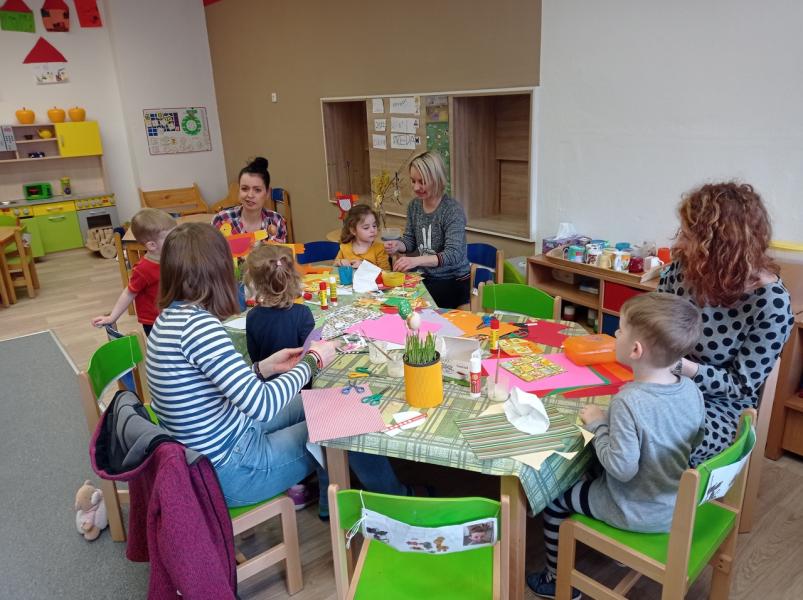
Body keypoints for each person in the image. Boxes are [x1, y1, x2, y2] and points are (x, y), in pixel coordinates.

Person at [147, 222, 408, 514]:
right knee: (345, 419)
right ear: (217, 271)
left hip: (216, 450)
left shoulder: (170, 319)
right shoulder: (200, 328)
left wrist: (262, 369)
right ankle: (397, 504)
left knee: (330, 402)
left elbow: (217, 388)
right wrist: (312, 361)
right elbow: (262, 405)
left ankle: (358, 496)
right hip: (232, 470)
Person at [527, 293, 706, 600]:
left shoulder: (628, 401)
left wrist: (599, 424)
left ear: (635, 350)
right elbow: (695, 441)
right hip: (676, 505)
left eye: (620, 330)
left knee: (554, 501)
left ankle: (555, 581)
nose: (615, 334)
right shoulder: (690, 389)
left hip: (634, 508)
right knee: (588, 473)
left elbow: (622, 469)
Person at [658, 181, 794, 466]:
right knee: (612, 415)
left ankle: (637, 493)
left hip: (721, 406)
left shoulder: (771, 304)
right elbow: (655, 323)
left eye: (688, 235)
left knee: (657, 436)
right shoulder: (684, 270)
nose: (679, 244)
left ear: (720, 246)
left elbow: (741, 386)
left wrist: (683, 367)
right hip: (664, 381)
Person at [383, 152, 470, 309]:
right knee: (391, 298)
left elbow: (453, 254)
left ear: (437, 180)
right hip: (425, 276)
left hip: (453, 279)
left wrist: (416, 261)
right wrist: (398, 245)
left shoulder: (452, 210)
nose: (416, 187)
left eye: (422, 182)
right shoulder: (414, 206)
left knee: (413, 305)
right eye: (413, 181)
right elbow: (410, 241)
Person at [91, 208, 176, 336]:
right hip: (155, 321)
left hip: (174, 315)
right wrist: (112, 317)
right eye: (172, 237)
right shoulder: (143, 269)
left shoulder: (174, 256)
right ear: (152, 245)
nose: (178, 239)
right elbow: (129, 293)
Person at [244, 244, 315, 378]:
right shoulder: (302, 313)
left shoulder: (252, 316)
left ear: (254, 282)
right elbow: (312, 357)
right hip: (299, 383)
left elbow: (256, 361)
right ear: (292, 278)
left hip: (267, 385)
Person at [212, 156, 287, 242]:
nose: (250, 195)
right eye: (244, 189)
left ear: (267, 193)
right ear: (239, 190)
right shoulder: (221, 219)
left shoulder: (276, 220)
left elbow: (280, 250)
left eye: (257, 190)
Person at [334, 204, 390, 270]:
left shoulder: (379, 249)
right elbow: (334, 266)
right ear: (353, 231)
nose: (372, 230)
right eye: (366, 228)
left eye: (374, 226)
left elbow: (386, 272)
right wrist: (340, 262)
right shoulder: (344, 247)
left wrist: (365, 266)